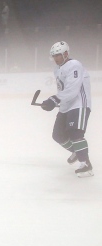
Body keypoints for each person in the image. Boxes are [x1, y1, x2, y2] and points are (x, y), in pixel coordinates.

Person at [40, 41, 93, 177]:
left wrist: (55, 99)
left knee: (75, 133)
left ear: (65, 53)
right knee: (58, 135)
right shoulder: (57, 69)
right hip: (66, 106)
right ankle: (77, 151)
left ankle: (85, 165)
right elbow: (62, 89)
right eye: (53, 56)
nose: (55, 59)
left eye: (57, 55)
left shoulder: (74, 65)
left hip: (79, 104)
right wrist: (54, 102)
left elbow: (73, 89)